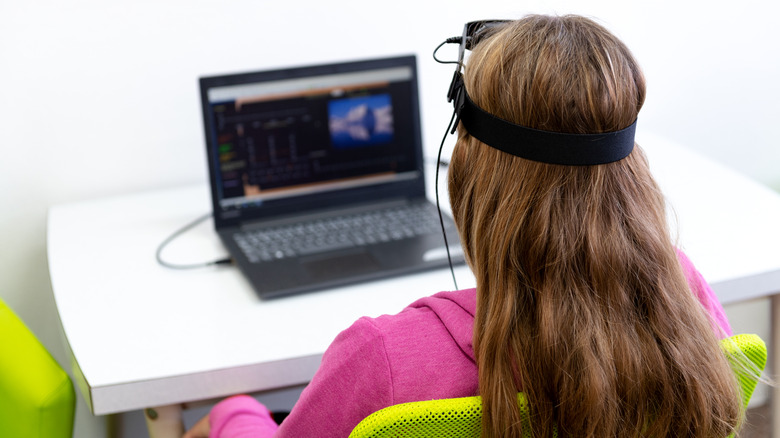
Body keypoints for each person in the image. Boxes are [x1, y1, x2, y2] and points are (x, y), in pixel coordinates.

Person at [184, 15, 741, 438]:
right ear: (630, 173)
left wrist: (235, 412)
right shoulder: (681, 294)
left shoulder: (383, 359)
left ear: (471, 172)